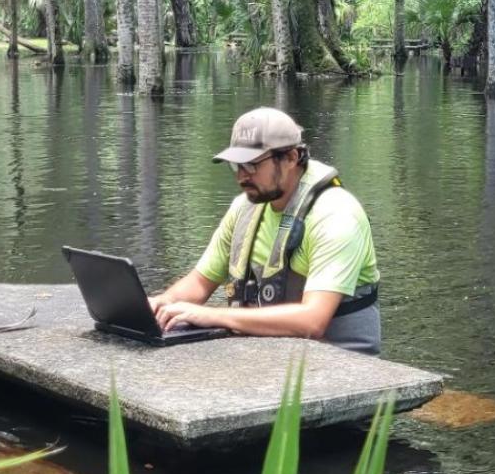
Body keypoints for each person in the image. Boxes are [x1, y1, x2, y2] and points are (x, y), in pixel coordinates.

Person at [150, 107, 381, 354]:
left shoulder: (337, 215)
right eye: (235, 165)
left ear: (291, 157)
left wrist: (213, 315)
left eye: (251, 165)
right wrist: (161, 304)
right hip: (269, 355)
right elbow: (199, 282)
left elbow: (312, 321)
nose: (241, 176)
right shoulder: (244, 208)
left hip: (340, 365)